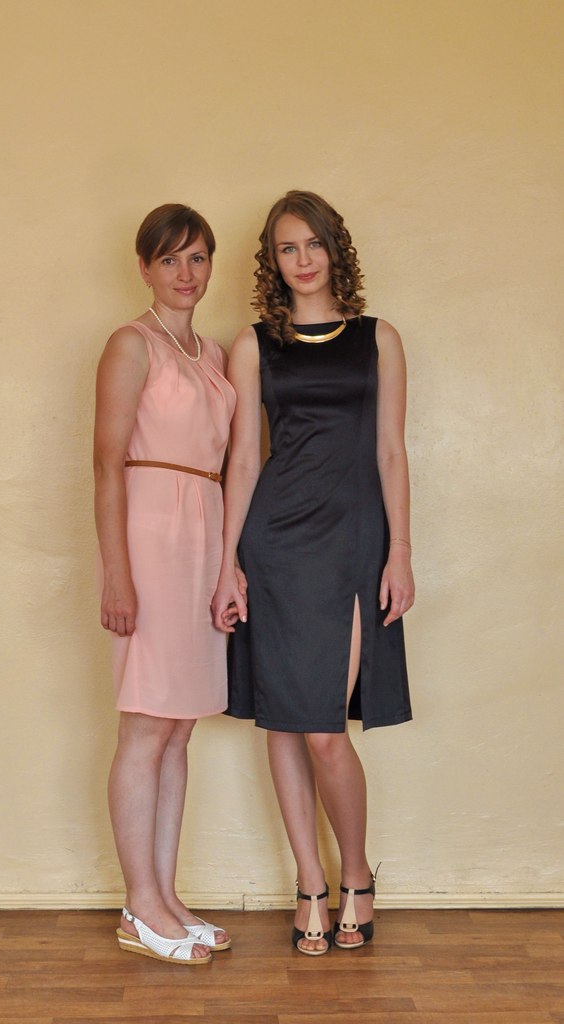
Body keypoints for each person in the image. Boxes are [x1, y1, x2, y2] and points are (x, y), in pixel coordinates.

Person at [211, 190, 414, 956]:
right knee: (287, 720)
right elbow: (242, 460)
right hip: (277, 543)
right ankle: (310, 885)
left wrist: (400, 552)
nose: (302, 260)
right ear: (273, 260)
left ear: (335, 248)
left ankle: (356, 872)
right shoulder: (253, 344)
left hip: (353, 541)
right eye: (287, 248)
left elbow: (390, 451)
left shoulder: (378, 338)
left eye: (313, 244)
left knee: (326, 730)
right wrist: (228, 563)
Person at [94, 204, 238, 965]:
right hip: (150, 537)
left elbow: (228, 461)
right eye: (171, 259)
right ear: (145, 268)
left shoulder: (213, 353)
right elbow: (105, 464)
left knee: (180, 726)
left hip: (203, 532)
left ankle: (164, 894)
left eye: (198, 257)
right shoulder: (131, 343)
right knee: (146, 724)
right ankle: (138, 904)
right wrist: (118, 573)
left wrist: (228, 563)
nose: (187, 273)